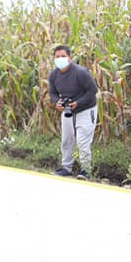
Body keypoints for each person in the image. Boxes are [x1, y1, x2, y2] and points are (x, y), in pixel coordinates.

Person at [48, 44, 98, 180]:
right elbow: (52, 93)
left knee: (83, 141)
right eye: (57, 57)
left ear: (70, 58)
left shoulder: (80, 72)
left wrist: (78, 103)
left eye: (63, 56)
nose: (60, 59)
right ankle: (66, 168)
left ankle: (86, 170)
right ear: (53, 58)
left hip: (86, 109)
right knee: (66, 140)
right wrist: (57, 102)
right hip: (68, 111)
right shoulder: (53, 75)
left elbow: (93, 90)